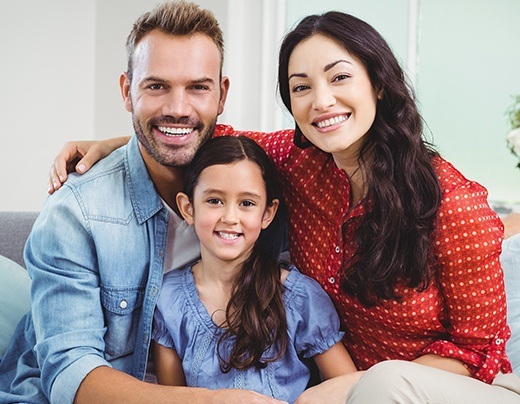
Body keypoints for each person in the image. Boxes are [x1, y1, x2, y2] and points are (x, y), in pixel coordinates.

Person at [48, 9, 520, 404]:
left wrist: (338, 391)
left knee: (387, 383)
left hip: (444, 388)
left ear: (378, 82)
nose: (322, 101)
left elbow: (479, 351)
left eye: (339, 78)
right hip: (343, 389)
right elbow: (208, 140)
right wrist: (121, 142)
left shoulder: (453, 203)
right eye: (301, 87)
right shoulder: (300, 163)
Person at [0, 2, 288, 403]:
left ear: (221, 95)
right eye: (156, 86)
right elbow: (70, 376)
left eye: (198, 87)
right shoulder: (75, 213)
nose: (177, 108)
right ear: (126, 91)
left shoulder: (258, 186)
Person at [152, 135, 358, 402]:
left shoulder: (298, 298)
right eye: (214, 200)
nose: (229, 217)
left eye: (246, 203)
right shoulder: (169, 300)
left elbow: (351, 389)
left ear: (267, 214)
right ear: (188, 208)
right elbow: (173, 399)